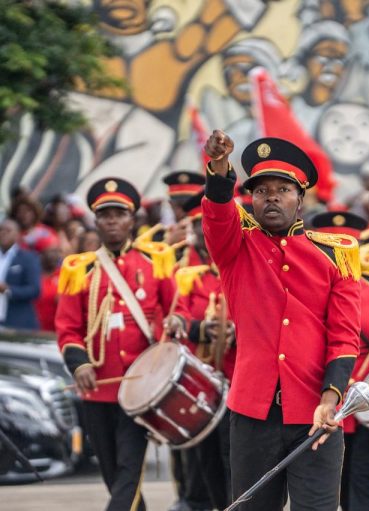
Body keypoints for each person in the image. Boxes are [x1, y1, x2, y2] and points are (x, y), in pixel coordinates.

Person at [202, 131, 361, 511]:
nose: (270, 196)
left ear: (300, 198)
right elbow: (218, 212)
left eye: (282, 189)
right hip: (253, 415)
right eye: (260, 190)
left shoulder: (335, 254)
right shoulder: (237, 248)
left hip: (314, 411)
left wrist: (330, 398)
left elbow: (344, 336)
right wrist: (221, 166)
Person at [55, 177, 188, 511]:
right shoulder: (78, 269)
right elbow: (68, 328)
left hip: (141, 387)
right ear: (96, 221)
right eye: (105, 215)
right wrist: (80, 363)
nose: (112, 221)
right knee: (114, 474)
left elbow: (178, 308)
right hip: (98, 386)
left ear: (132, 220)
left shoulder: (154, 261)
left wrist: (176, 322)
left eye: (119, 214)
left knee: (130, 469)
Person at [310, 210, 369, 511]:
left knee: (366, 476)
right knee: (327, 480)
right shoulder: (304, 286)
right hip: (321, 396)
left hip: (367, 399)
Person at [174, 191, 235, 510]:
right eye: (197, 225)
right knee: (205, 457)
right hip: (201, 381)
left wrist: (237, 331)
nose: (202, 231)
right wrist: (199, 329)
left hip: (237, 380)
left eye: (206, 224)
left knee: (233, 457)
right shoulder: (186, 276)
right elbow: (175, 315)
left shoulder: (242, 267)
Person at [0, 218, 42, 330]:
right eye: (1, 230)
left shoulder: (28, 258)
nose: (3, 233)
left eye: (8, 231)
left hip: (16, 320)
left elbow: (35, 290)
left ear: (17, 235)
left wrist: (8, 290)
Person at [35, 235, 63, 332]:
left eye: (58, 251)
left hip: (55, 332)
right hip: (31, 329)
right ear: (41, 253)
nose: (56, 255)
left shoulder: (64, 274)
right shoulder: (32, 275)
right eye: (51, 251)